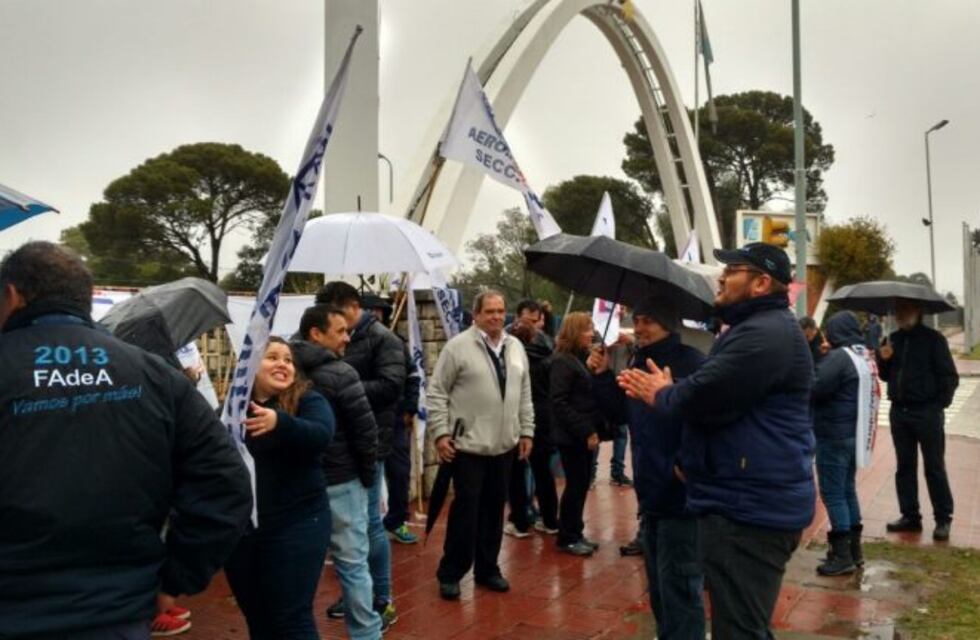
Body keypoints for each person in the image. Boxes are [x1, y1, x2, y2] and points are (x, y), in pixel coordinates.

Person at [0, 242, 251, 640]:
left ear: (12, 295)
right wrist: (175, 579)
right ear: (83, 298)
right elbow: (227, 484)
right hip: (118, 609)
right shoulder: (155, 375)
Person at [617, 242, 816, 639]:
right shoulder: (753, 329)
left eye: (734, 270)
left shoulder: (764, 334)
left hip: (750, 509)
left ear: (761, 283)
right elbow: (719, 407)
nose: (722, 277)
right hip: (740, 500)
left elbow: (704, 397)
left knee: (740, 629)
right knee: (741, 623)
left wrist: (663, 393)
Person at [590, 301, 707, 637]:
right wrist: (601, 378)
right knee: (659, 590)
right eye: (637, 320)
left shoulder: (692, 362)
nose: (639, 328)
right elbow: (621, 413)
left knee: (681, 590)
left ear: (669, 324)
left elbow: (708, 422)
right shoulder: (637, 359)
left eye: (648, 321)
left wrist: (683, 465)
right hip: (651, 495)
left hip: (681, 500)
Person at [224, 338, 335, 639]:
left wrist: (280, 423)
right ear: (250, 366)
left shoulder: (308, 400)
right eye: (272, 357)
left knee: (291, 619)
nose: (282, 364)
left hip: (298, 523)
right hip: (245, 531)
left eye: (288, 360)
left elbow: (321, 434)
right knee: (258, 619)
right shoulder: (231, 411)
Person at [428, 290, 535, 600]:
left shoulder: (515, 347)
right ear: (475, 315)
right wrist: (440, 432)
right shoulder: (457, 347)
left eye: (501, 310)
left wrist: (526, 430)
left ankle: (488, 569)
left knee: (493, 511)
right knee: (465, 513)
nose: (497, 316)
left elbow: (524, 393)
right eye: (490, 311)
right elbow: (436, 393)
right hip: (468, 447)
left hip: (504, 447)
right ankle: (451, 572)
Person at [292, 304, 385, 638]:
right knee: (354, 565)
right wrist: (368, 478)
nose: (348, 338)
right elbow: (366, 432)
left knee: (299, 569)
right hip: (343, 482)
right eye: (341, 331)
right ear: (316, 334)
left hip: (298, 484)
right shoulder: (342, 373)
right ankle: (367, 633)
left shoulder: (280, 368)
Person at [316, 283, 405, 626]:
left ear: (352, 307)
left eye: (336, 315)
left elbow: (391, 386)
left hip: (371, 444)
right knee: (346, 530)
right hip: (337, 445)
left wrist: (340, 387)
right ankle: (356, 592)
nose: (335, 326)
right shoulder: (331, 339)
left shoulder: (384, 339)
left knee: (369, 526)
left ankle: (381, 599)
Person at [877, 299, 958, 541]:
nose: (901, 314)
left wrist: (938, 405)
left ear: (918, 312)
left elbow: (950, 377)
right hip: (899, 412)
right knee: (905, 467)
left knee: (934, 467)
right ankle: (910, 516)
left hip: (927, 412)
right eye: (898, 310)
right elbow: (885, 375)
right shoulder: (892, 340)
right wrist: (884, 358)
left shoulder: (934, 340)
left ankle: (943, 518)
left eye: (905, 309)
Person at [812, 311, 879, 576]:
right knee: (848, 489)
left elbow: (815, 386)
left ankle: (841, 555)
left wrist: (820, 359)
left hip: (834, 433)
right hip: (855, 433)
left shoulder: (839, 358)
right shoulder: (862, 354)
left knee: (833, 493)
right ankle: (855, 550)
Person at [550, 312, 604, 556]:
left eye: (591, 328)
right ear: (574, 331)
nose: (591, 333)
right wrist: (587, 431)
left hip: (580, 435)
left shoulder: (578, 359)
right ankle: (568, 536)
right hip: (572, 437)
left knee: (581, 484)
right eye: (586, 329)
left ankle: (575, 531)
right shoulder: (563, 361)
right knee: (576, 484)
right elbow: (560, 402)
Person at [504, 299, 558, 538]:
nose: (536, 324)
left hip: (520, 415)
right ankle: (549, 520)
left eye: (538, 320)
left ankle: (520, 521)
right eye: (532, 320)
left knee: (517, 470)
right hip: (544, 415)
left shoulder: (511, 353)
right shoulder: (550, 348)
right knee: (542, 470)